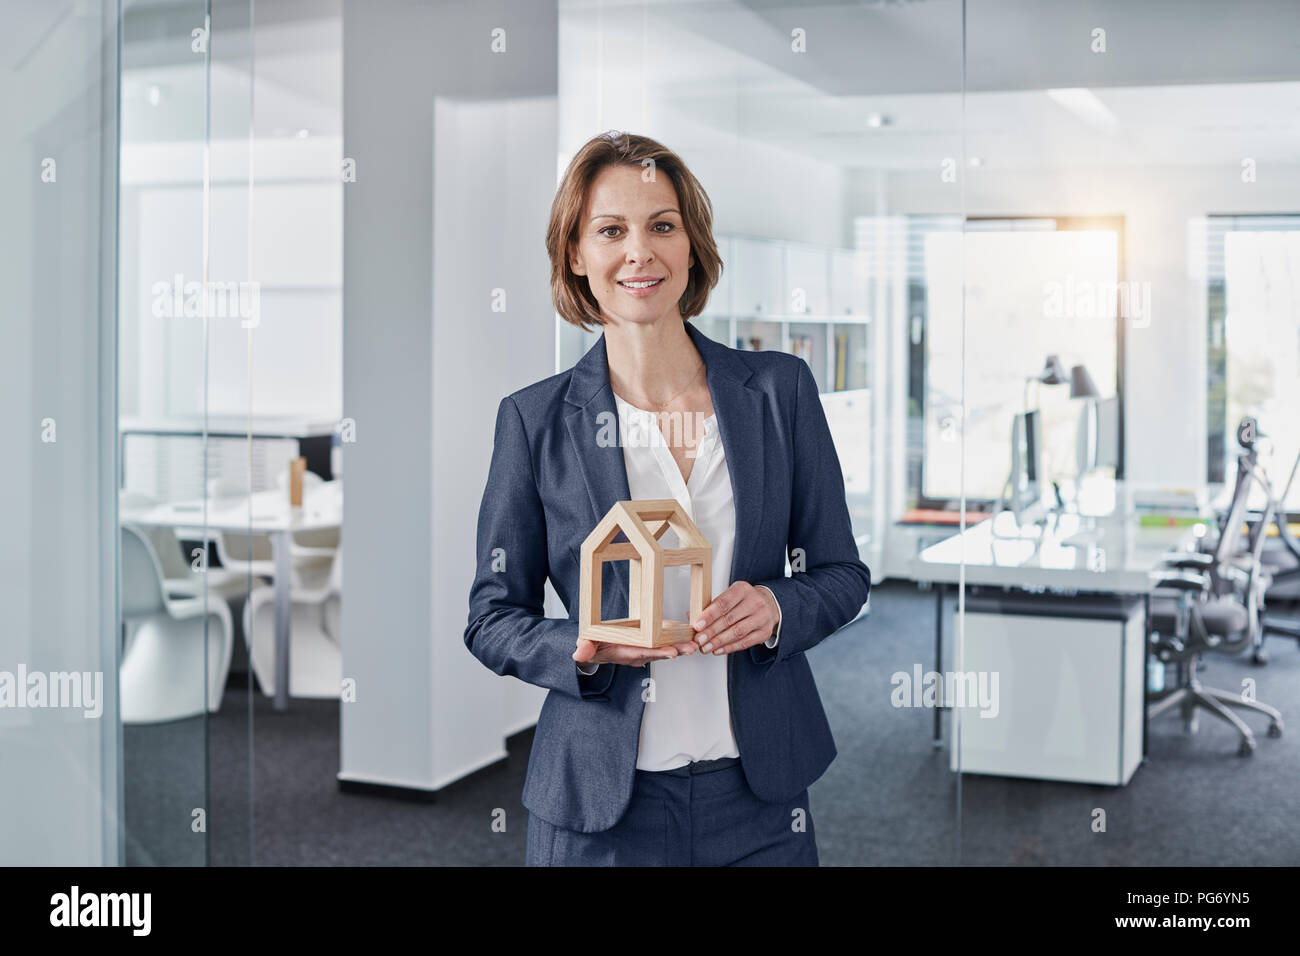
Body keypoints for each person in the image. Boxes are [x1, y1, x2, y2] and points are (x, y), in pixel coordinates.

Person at [463, 130, 871, 866]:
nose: (639, 253)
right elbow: (492, 618)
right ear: (577, 256)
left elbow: (842, 576)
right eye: (611, 230)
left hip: (760, 801)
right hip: (600, 808)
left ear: (692, 247)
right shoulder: (534, 421)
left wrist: (779, 607)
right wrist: (586, 650)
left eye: (662, 225)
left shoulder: (778, 393)